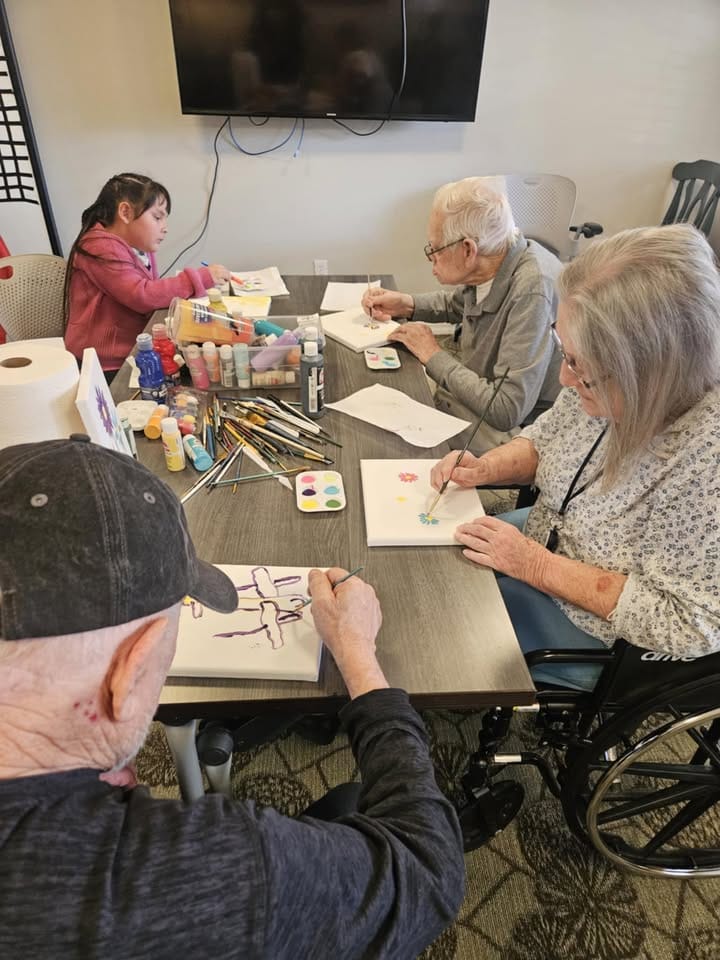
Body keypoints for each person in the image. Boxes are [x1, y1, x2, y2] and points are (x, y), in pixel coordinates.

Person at [0, 435, 464, 959]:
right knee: (348, 804)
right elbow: (428, 873)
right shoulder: (211, 872)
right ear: (128, 672)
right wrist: (357, 654)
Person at [430, 224, 720, 690]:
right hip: (545, 538)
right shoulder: (601, 382)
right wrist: (487, 468)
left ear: (650, 373)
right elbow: (545, 441)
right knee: (429, 566)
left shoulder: (708, 462)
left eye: (579, 368)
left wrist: (535, 565)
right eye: (565, 353)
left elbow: (688, 622)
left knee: (442, 620)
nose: (565, 380)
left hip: (598, 631)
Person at [362, 177, 562, 454]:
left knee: (393, 439)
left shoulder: (532, 290)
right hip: (482, 394)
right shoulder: (497, 256)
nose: (431, 258)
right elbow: (461, 305)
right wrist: (406, 304)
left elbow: (506, 409)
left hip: (519, 431)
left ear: (468, 250)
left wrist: (433, 355)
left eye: (434, 249)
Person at [63, 173, 229, 381]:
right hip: (104, 364)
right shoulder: (99, 246)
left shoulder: (138, 247)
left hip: (132, 350)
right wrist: (200, 278)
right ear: (125, 212)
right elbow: (142, 295)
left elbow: (150, 291)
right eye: (157, 217)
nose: (165, 227)